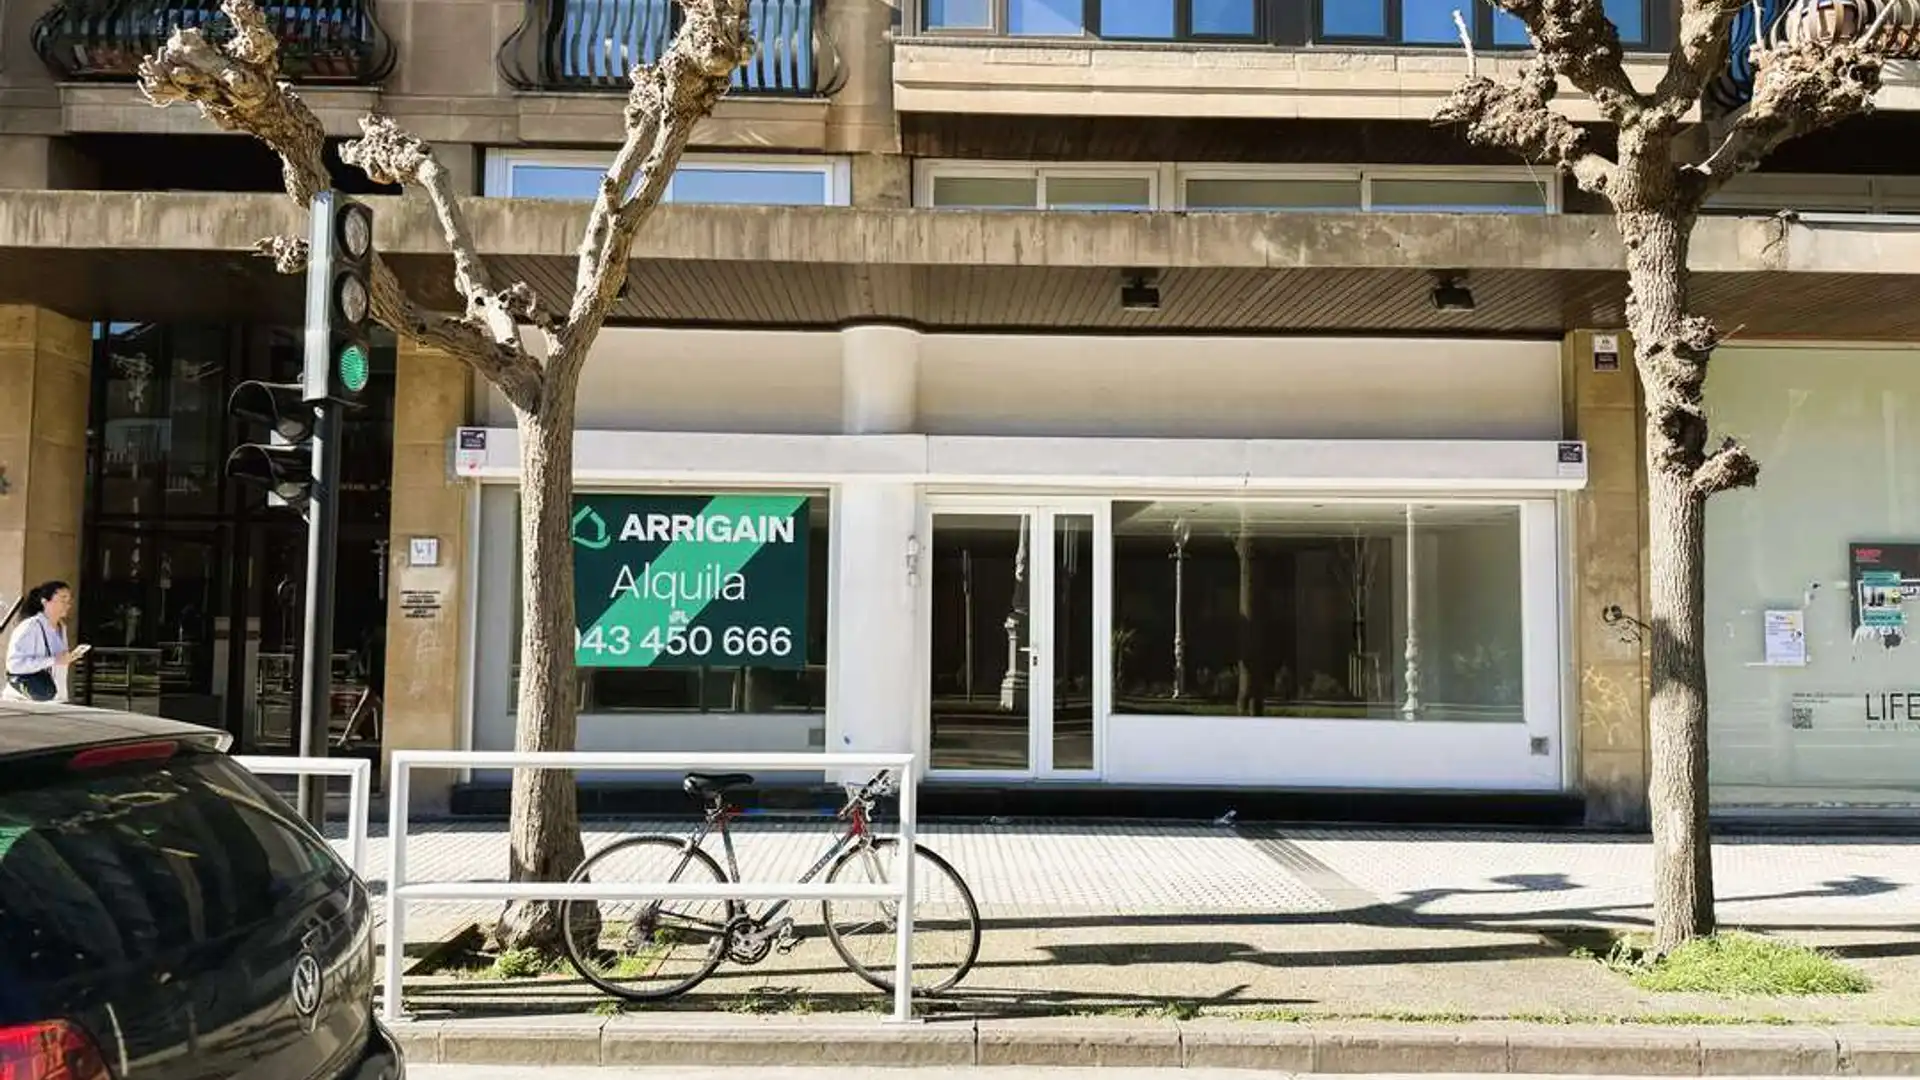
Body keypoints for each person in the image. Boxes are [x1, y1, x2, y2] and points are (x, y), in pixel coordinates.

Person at [4, 580, 86, 703]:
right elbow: (14, 665)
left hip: (54, 701)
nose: (67, 604)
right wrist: (54, 660)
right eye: (63, 599)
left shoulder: (62, 627)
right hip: (24, 701)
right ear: (45, 602)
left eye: (69, 600)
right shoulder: (31, 626)